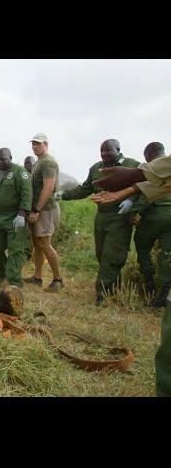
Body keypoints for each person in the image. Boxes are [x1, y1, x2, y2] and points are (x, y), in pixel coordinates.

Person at [90, 149, 171, 397]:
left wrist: (134, 176)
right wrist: (126, 190)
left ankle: (151, 287)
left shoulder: (137, 166)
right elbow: (157, 184)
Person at [60, 139, 140, 305]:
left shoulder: (133, 165)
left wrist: (131, 200)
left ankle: (102, 295)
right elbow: (85, 189)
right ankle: (116, 289)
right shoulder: (96, 168)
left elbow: (144, 185)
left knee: (112, 255)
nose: (104, 154)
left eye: (108, 151)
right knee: (101, 254)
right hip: (102, 216)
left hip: (120, 216)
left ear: (118, 149)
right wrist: (63, 195)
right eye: (101, 151)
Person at [115, 143, 171, 307]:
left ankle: (149, 284)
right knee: (166, 254)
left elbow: (146, 196)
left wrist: (133, 212)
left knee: (142, 245)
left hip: (155, 216)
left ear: (148, 155)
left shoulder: (153, 170)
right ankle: (165, 292)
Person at [23, 133, 64, 292]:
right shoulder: (39, 162)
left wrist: (36, 209)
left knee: (45, 244)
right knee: (37, 244)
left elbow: (48, 187)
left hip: (45, 209)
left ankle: (58, 279)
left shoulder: (48, 163)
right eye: (33, 144)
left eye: (38, 144)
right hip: (39, 209)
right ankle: (37, 277)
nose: (35, 146)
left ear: (46, 144)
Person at [0, 148, 32, 288]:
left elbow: (26, 193)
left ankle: (14, 281)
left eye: (3, 159)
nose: (0, 162)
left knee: (15, 249)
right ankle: (0, 275)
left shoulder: (20, 172)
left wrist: (22, 214)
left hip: (15, 217)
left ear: (10, 158)